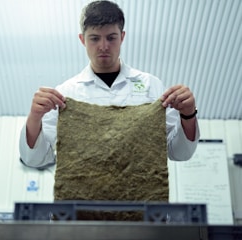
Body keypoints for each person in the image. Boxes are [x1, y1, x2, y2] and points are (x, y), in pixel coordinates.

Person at [19, 0, 199, 169]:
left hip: (140, 197)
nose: (103, 46)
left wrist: (188, 114)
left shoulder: (151, 86)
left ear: (122, 37)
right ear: (82, 40)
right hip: (82, 198)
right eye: (95, 38)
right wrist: (34, 117)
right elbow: (35, 159)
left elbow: (180, 153)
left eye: (111, 38)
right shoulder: (66, 93)